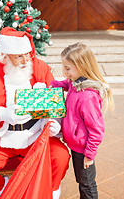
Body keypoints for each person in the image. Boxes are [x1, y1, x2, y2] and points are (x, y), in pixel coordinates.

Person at [0, 27, 70, 199]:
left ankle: (45, 193)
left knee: (60, 157)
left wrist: (52, 122)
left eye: (27, 53)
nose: (26, 59)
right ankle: (5, 192)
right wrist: (1, 115)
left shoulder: (40, 68)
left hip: (34, 135)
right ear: (4, 56)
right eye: (18, 56)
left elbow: (55, 103)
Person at [50, 43, 114, 199]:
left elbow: (97, 130)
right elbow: (67, 84)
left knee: (86, 183)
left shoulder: (87, 97)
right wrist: (55, 84)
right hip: (76, 143)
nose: (64, 73)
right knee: (82, 180)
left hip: (84, 149)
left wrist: (90, 154)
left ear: (81, 66)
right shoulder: (75, 82)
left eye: (67, 68)